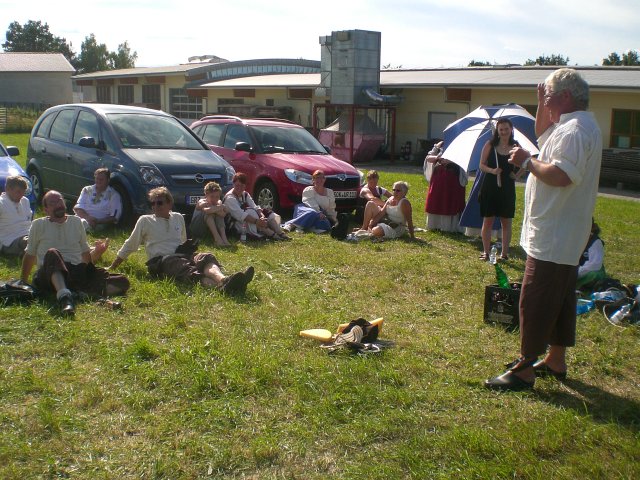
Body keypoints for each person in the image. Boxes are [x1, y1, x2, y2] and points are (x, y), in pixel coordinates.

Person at [485, 68, 602, 391]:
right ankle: (555, 358)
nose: (545, 101)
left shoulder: (575, 131)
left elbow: (561, 175)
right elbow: (542, 136)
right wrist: (540, 101)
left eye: (549, 95)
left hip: (555, 231)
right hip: (564, 231)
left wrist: (526, 161)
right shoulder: (571, 126)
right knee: (561, 296)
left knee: (535, 297)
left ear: (566, 96)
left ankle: (525, 367)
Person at [109, 187, 254, 294]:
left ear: (169, 204)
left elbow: (183, 240)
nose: (155, 206)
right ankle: (222, 288)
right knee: (186, 268)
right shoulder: (145, 221)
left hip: (182, 255)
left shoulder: (178, 217)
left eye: (159, 203)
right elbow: (130, 244)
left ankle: (224, 280)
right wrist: (113, 266)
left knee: (206, 257)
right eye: (152, 204)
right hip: (162, 261)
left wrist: (187, 248)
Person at [20, 190, 129, 316]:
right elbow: (30, 254)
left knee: (122, 281)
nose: (58, 204)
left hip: (74, 273)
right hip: (49, 273)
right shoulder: (38, 225)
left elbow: (85, 253)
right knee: (52, 253)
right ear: (46, 209)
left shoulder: (76, 222)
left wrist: (94, 261)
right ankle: (65, 297)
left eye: (59, 200)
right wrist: (23, 281)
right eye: (52, 202)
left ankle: (78, 293)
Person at [478, 119, 523, 261]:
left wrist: (516, 175)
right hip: (490, 186)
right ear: (497, 131)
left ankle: (504, 254)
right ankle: (486, 252)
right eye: (501, 129)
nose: (503, 132)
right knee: (488, 221)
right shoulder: (490, 145)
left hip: (507, 188)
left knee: (506, 222)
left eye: (506, 129)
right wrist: (492, 170)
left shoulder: (516, 146)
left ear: (511, 129)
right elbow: (481, 165)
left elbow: (525, 164)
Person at [223, 173, 289, 240]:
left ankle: (280, 233)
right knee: (250, 212)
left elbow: (255, 206)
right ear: (233, 184)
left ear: (245, 186)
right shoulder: (230, 198)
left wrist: (262, 217)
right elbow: (240, 215)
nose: (239, 188)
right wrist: (257, 221)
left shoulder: (245, 194)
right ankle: (272, 235)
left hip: (246, 221)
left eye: (242, 186)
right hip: (236, 224)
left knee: (266, 212)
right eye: (237, 185)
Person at [423, 141, 467, 232]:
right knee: (436, 199)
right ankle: (435, 224)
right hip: (438, 176)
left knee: (450, 199)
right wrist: (438, 157)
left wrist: (450, 160)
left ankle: (450, 226)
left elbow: (464, 160)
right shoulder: (441, 144)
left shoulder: (461, 144)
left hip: (453, 177)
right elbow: (428, 158)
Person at [189, 181, 231, 246]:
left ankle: (224, 238)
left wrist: (216, 208)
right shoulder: (202, 201)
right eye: (212, 196)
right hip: (197, 229)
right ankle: (217, 239)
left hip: (208, 230)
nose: (214, 199)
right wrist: (222, 207)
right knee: (209, 214)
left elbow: (223, 214)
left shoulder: (218, 202)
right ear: (206, 195)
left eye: (217, 197)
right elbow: (207, 211)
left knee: (218, 214)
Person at [0, 175, 32, 257]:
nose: (21, 195)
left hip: (28, 234)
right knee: (29, 241)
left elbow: (30, 220)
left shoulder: (25, 201)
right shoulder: (1, 203)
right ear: (7, 189)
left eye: (23, 192)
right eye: (18, 192)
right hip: (10, 240)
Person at [576, 219, 606, 290]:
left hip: (588, 271)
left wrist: (576, 273)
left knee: (593, 275)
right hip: (576, 269)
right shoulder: (572, 239)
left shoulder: (595, 242)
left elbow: (594, 265)